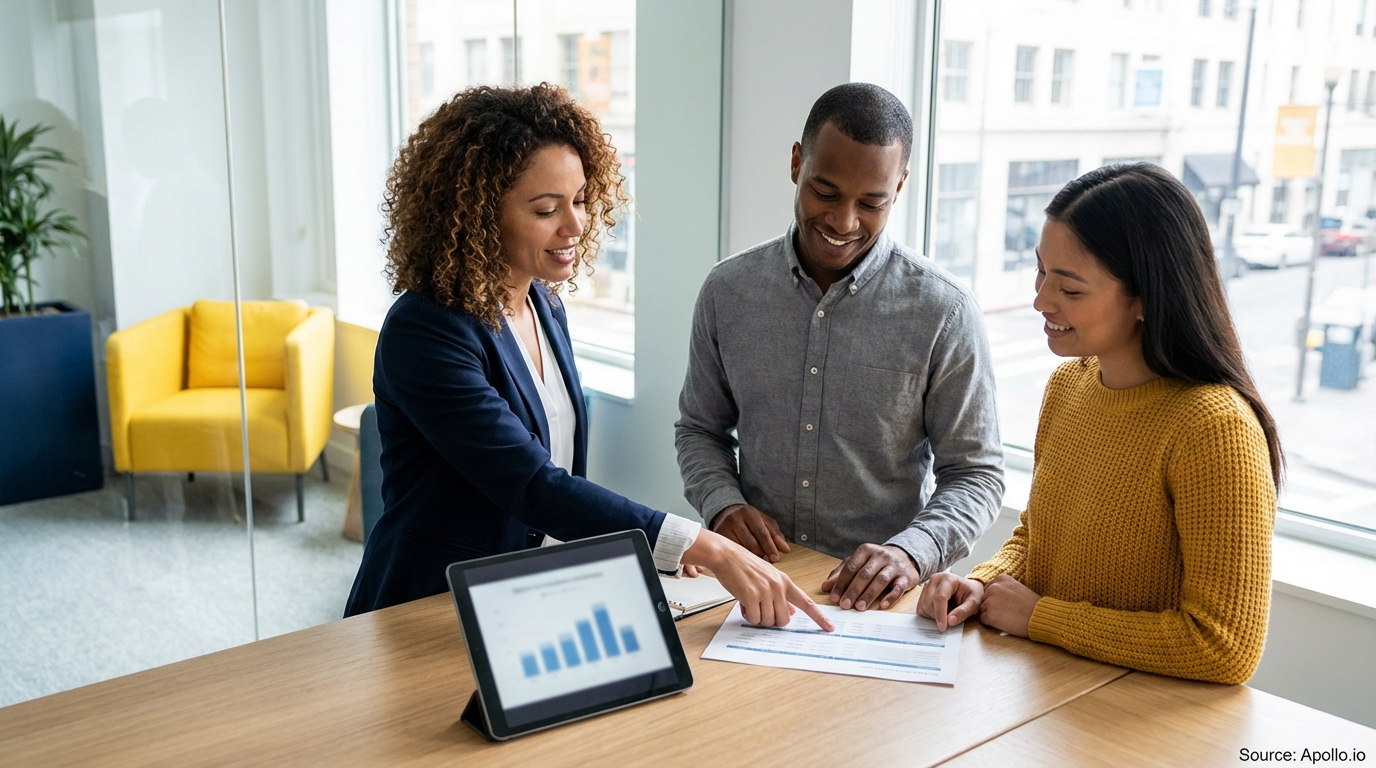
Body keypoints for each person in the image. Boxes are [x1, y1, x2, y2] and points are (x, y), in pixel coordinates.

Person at [345, 84, 832, 632]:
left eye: (579, 200)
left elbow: (558, 475)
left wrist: (660, 551)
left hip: (525, 600)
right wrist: (702, 544)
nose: (576, 225)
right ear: (481, 215)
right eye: (547, 209)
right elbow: (529, 483)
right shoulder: (426, 329)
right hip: (431, 604)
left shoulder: (544, 304)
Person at [917, 163, 1281, 685]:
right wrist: (982, 584)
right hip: (1054, 694)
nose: (1041, 300)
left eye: (1071, 288)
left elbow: (1224, 646)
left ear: (1145, 298)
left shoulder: (1214, 428)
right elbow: (1038, 541)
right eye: (1041, 271)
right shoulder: (1069, 387)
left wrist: (1042, 618)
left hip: (1144, 725)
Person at [675, 82, 1004, 614]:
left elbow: (976, 474)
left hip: (880, 606)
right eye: (825, 193)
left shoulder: (945, 312)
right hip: (756, 585)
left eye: (871, 202)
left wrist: (911, 553)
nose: (843, 222)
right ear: (796, 163)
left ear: (899, 187)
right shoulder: (727, 291)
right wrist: (722, 505)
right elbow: (699, 429)